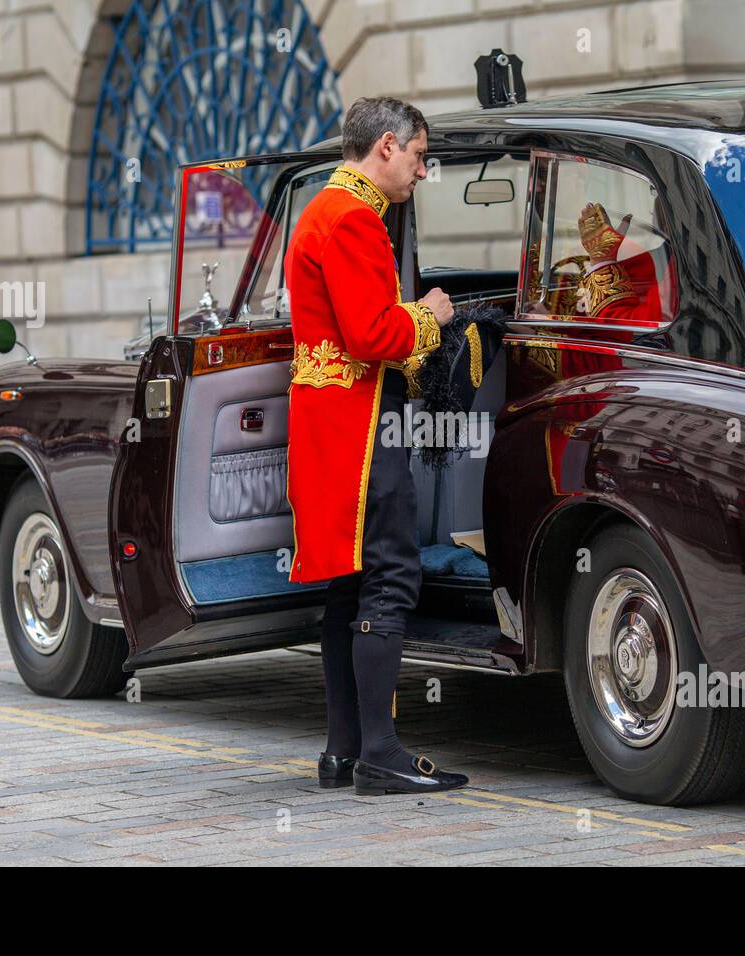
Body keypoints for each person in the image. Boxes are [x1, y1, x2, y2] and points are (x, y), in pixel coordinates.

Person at [283, 96, 470, 796]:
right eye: (420, 156)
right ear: (386, 147)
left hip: (329, 425)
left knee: (347, 586)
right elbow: (373, 335)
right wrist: (430, 316)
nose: (423, 171)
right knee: (389, 575)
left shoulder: (319, 210)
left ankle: (343, 751)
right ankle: (381, 753)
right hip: (362, 427)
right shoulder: (356, 219)